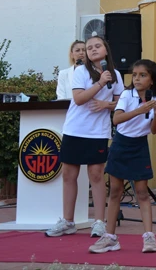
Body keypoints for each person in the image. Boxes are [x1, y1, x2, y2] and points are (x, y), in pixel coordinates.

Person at [46, 36, 123, 238]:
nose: (93, 50)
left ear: (106, 50)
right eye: (89, 48)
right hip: (74, 129)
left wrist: (106, 105)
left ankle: (99, 222)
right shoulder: (80, 72)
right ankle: (68, 221)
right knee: (69, 175)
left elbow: (121, 102)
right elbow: (79, 99)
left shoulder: (115, 74)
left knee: (96, 175)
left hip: (97, 131)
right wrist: (99, 83)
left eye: (97, 46)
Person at [88, 59, 156, 254]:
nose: (137, 79)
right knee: (115, 191)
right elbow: (117, 118)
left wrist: (155, 114)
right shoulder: (126, 95)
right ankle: (110, 237)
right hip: (121, 144)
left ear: (152, 80)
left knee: (142, 193)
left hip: (139, 146)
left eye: (143, 75)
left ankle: (149, 238)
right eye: (135, 75)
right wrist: (139, 110)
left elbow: (154, 131)